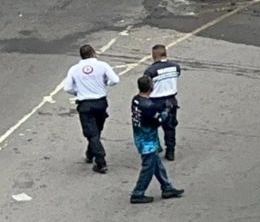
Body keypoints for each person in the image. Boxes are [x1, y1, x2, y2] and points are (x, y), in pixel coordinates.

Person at [63, 44, 119, 174]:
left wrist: (78, 91)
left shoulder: (74, 69)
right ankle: (90, 153)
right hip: (100, 102)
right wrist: (106, 83)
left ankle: (100, 161)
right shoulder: (103, 65)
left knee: (91, 132)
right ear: (93, 53)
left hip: (85, 104)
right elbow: (115, 80)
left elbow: (67, 88)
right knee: (96, 130)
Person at [129, 75, 183, 204]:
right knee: (148, 167)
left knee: (157, 165)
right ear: (150, 88)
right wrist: (166, 110)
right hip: (147, 140)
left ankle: (166, 187)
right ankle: (138, 192)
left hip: (140, 135)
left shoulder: (136, 100)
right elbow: (158, 121)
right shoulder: (148, 106)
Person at [142, 44, 181, 160]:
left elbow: (146, 86)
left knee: (151, 125)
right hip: (171, 101)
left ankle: (155, 146)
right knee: (170, 127)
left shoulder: (150, 70)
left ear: (154, 55)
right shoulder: (175, 67)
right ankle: (170, 152)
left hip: (155, 102)